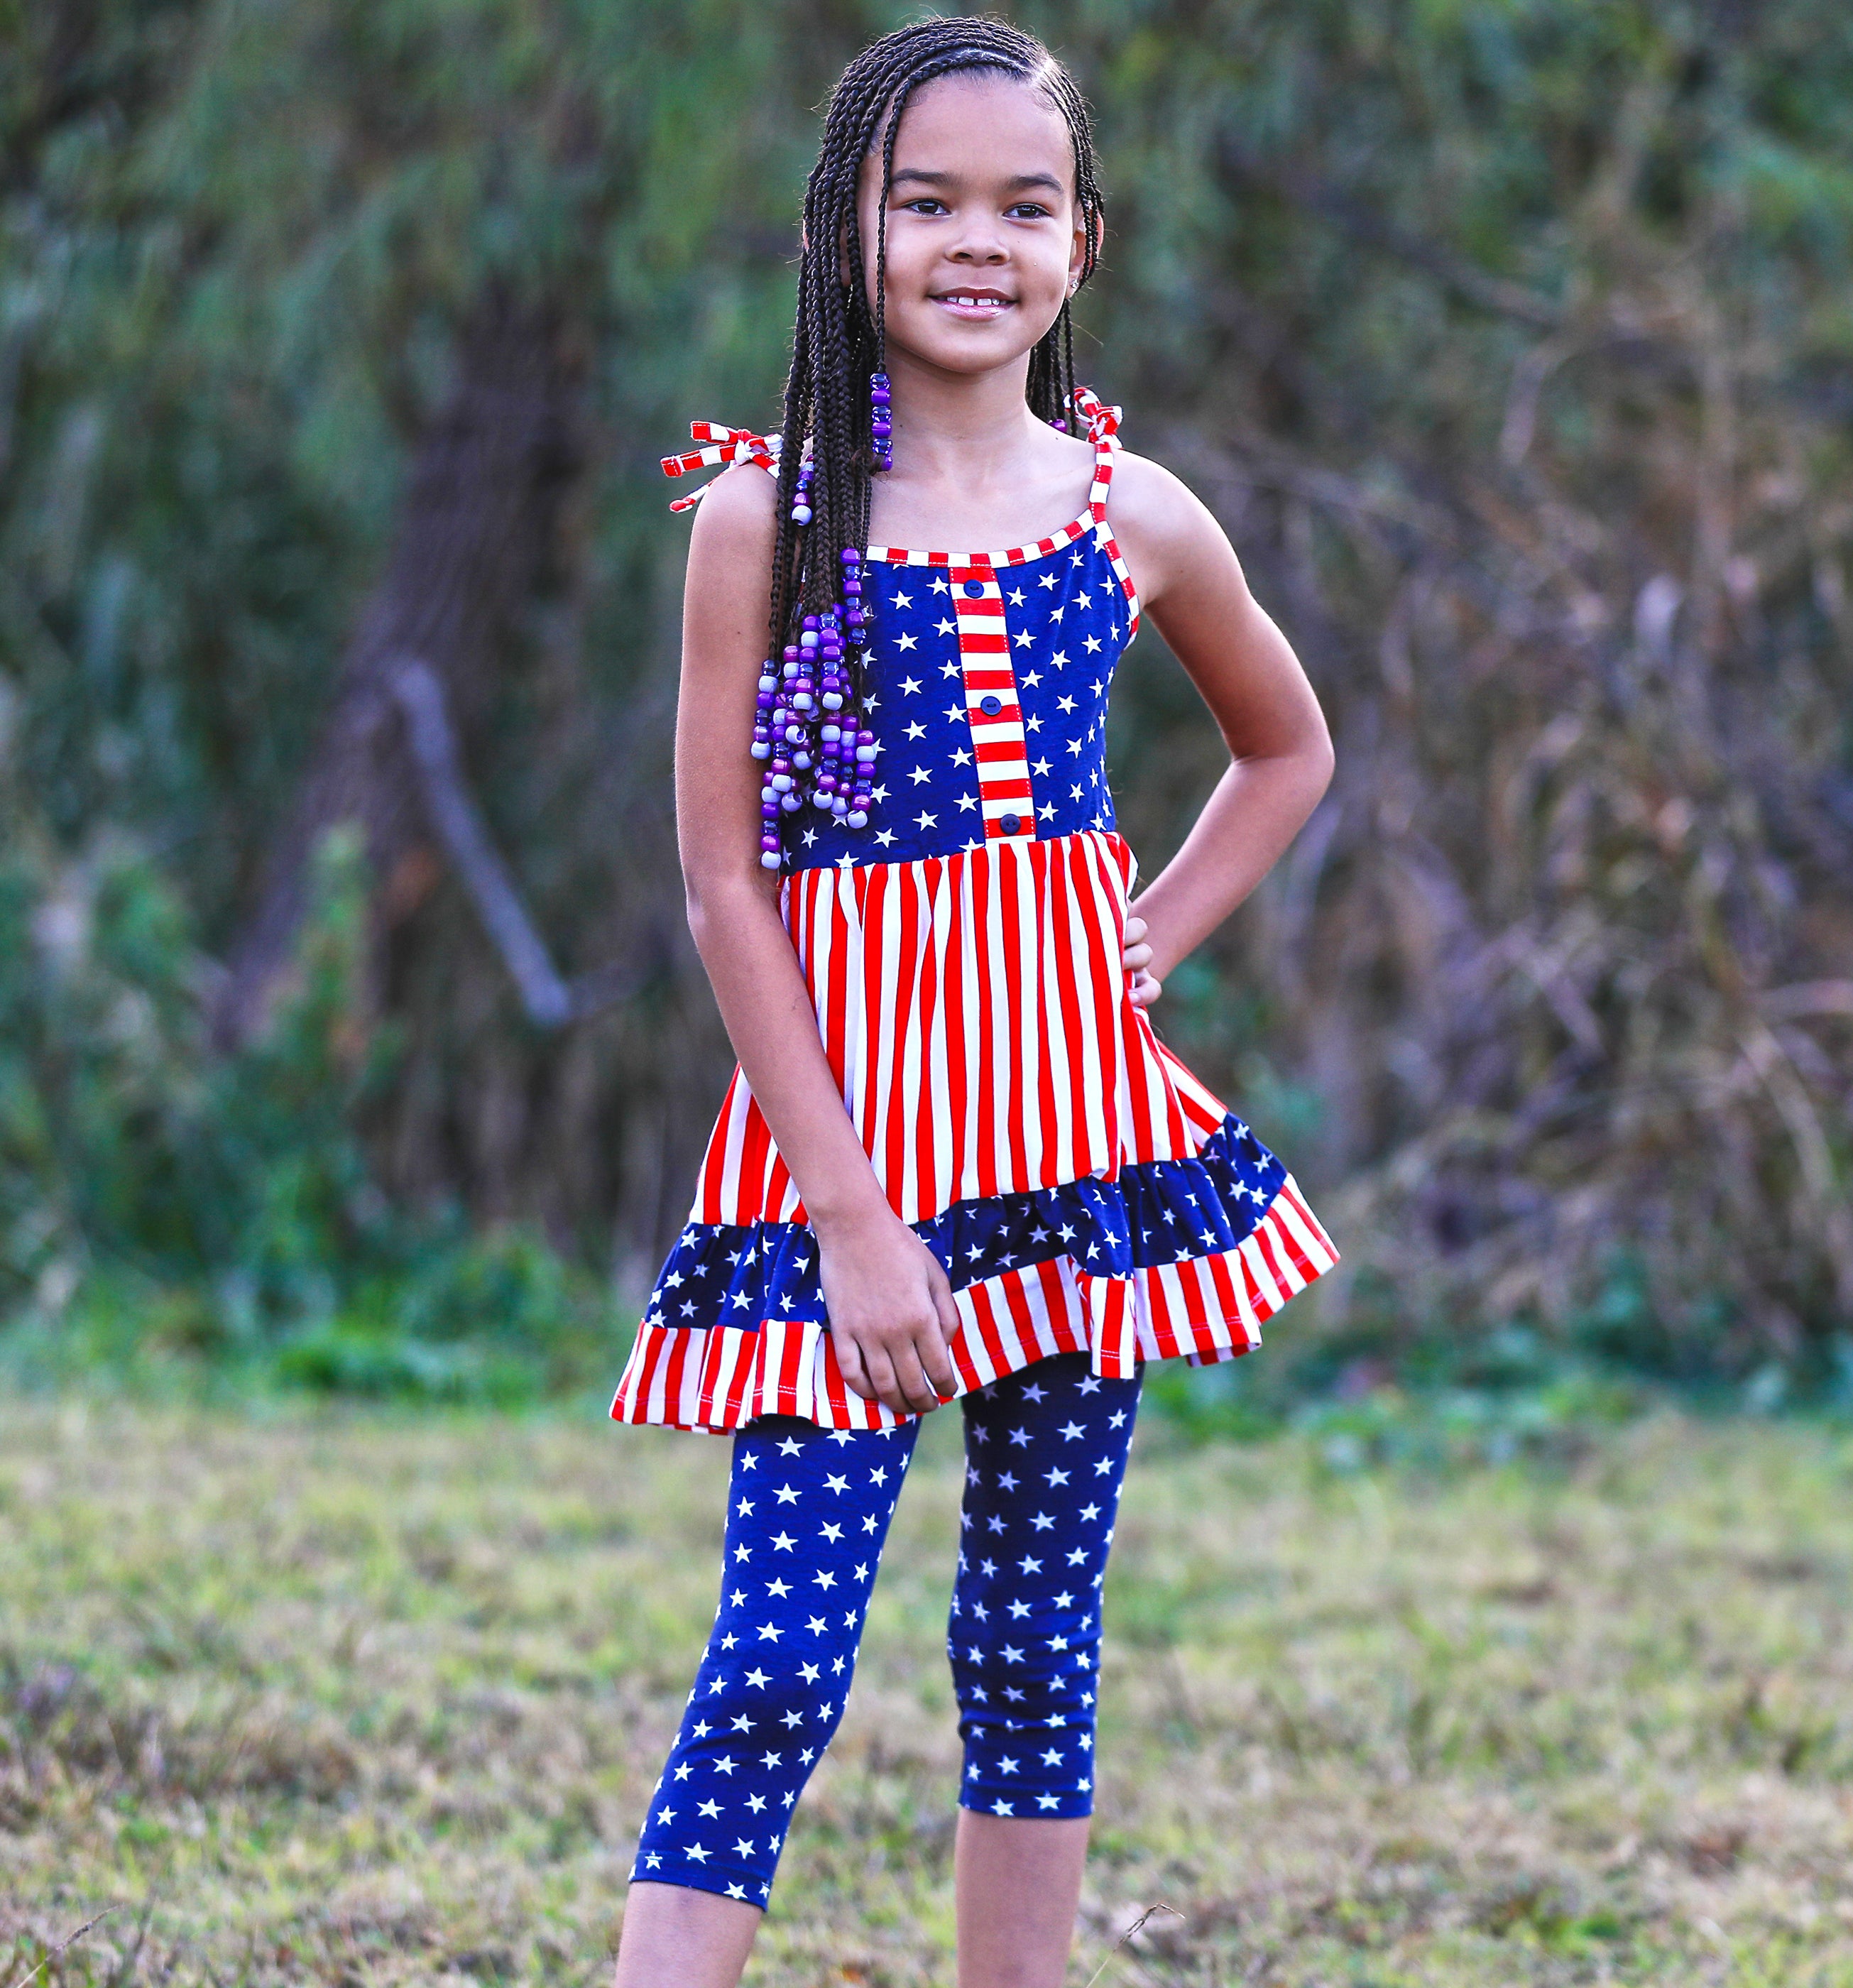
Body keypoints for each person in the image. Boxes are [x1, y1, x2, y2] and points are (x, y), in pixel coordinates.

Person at [609, 19, 1338, 1987]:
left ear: (1085, 240)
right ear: (840, 228)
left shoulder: (1131, 514)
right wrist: (851, 1215)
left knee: (1031, 1645)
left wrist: (1145, 941)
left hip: (1072, 1155)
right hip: (838, 1175)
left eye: (1024, 206)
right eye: (923, 200)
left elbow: (1286, 749)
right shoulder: (766, 522)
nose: (974, 244)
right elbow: (725, 886)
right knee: (775, 1667)